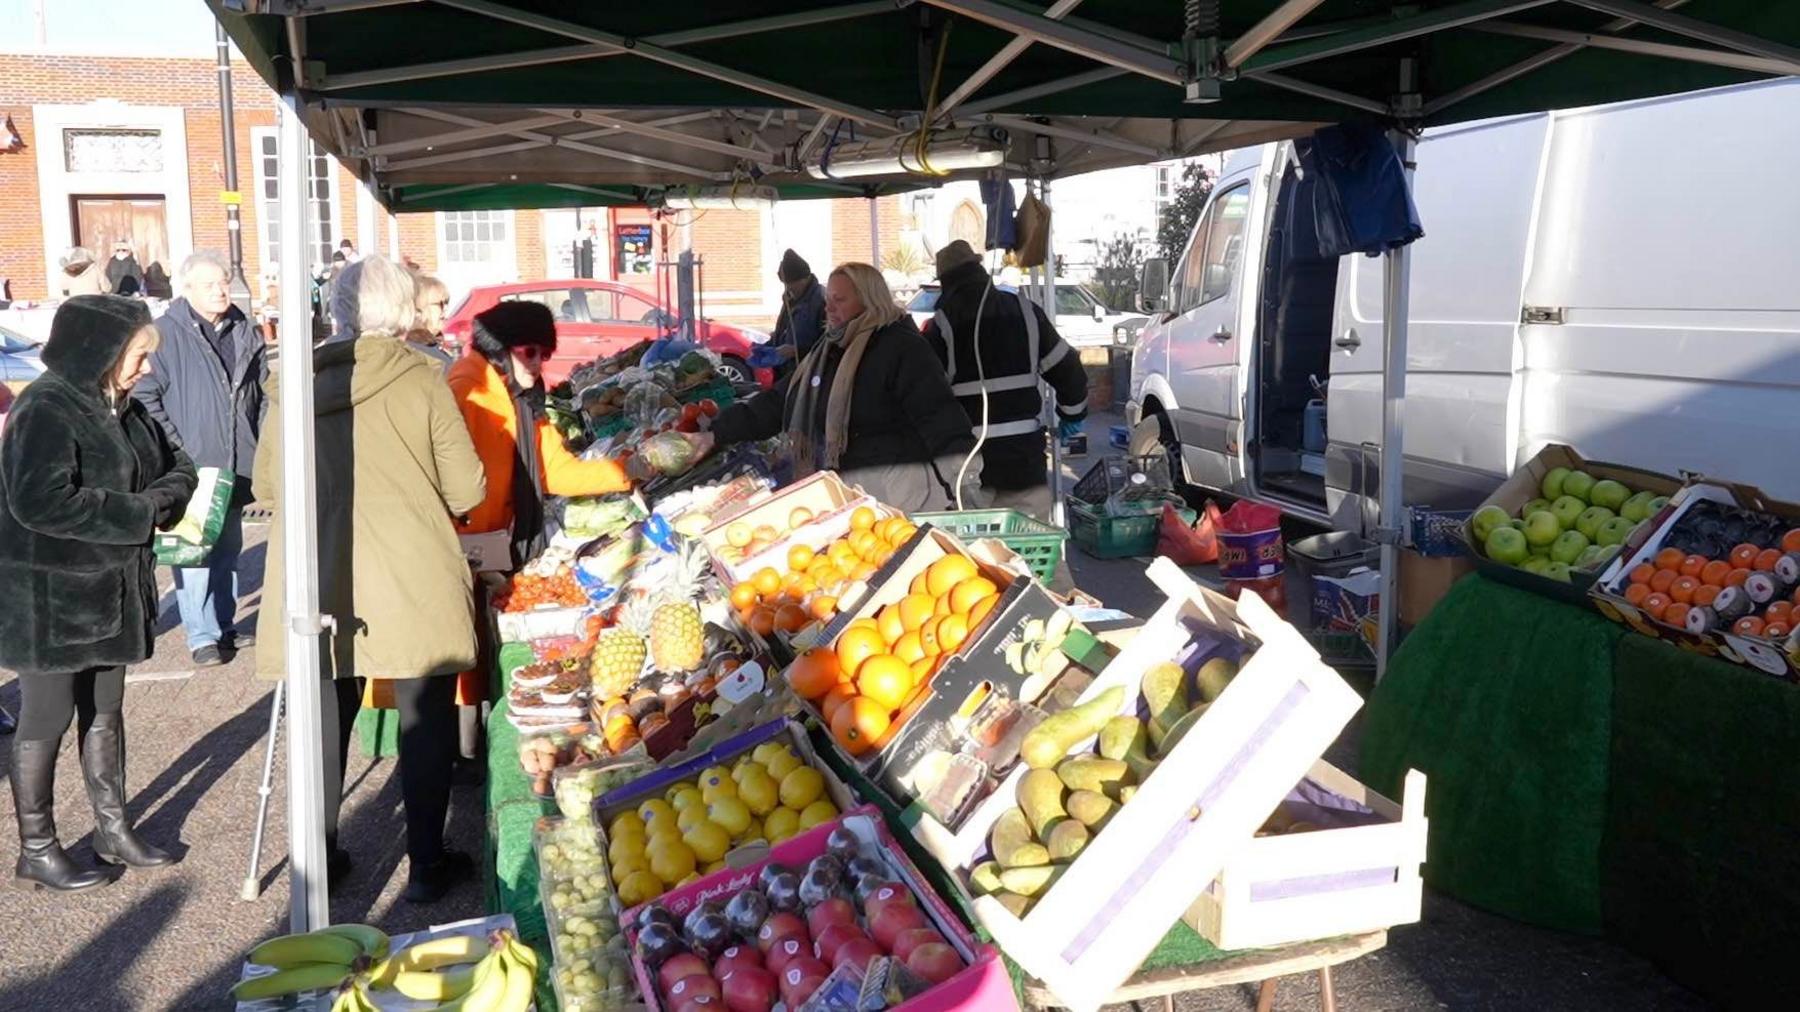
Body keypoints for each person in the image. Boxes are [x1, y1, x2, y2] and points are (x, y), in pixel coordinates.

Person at [254, 256, 487, 902]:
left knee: (327, 712)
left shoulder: (293, 384)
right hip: (412, 569)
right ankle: (427, 863)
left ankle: (321, 856)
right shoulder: (423, 380)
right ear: (402, 309)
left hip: (321, 568)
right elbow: (467, 487)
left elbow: (267, 485)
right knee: (424, 715)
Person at [0, 294, 198, 891]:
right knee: (48, 715)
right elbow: (40, 502)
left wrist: (164, 498)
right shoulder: (47, 408)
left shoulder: (124, 406)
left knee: (106, 709)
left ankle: (113, 828)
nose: (146, 369)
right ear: (101, 351)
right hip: (51, 598)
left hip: (111, 592)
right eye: (138, 356)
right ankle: (37, 846)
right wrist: (142, 511)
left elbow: (180, 465)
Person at [709, 262, 977, 511]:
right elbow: (779, 402)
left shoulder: (903, 348)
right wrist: (715, 432)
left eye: (840, 300)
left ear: (869, 299)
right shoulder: (827, 351)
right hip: (850, 495)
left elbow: (938, 415)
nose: (829, 308)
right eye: (828, 301)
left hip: (900, 496)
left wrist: (963, 479)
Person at [135, 251, 267, 667]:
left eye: (224, 281)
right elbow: (146, 396)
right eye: (209, 284)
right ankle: (202, 635)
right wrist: (176, 447)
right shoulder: (165, 334)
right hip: (191, 464)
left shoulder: (245, 330)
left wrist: (260, 441)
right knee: (193, 551)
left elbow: (261, 393)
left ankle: (225, 625)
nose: (220, 290)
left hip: (235, 460)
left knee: (228, 548)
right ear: (187, 289)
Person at [448, 301, 634, 565]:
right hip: (464, 547)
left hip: (496, 545)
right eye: (529, 352)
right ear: (498, 349)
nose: (537, 364)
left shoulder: (522, 398)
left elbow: (555, 472)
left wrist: (628, 470)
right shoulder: (467, 393)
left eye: (544, 354)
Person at [922, 240, 1088, 522]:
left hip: (970, 456)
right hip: (1024, 456)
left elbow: (926, 395)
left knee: (977, 550)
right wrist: (1072, 413)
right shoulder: (1025, 311)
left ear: (946, 281)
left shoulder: (942, 323)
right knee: (1028, 543)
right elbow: (1067, 368)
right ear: (979, 270)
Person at [771, 249, 825, 379]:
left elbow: (827, 344)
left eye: (792, 284)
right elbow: (783, 331)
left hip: (808, 374)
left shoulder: (821, 301)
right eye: (785, 284)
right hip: (786, 373)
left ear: (805, 278)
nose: (788, 288)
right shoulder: (789, 299)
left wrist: (796, 351)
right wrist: (769, 346)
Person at [407, 273, 456, 367]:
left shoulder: (432, 344)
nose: (445, 309)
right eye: (440, 304)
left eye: (446, 303)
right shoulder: (416, 351)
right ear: (420, 308)